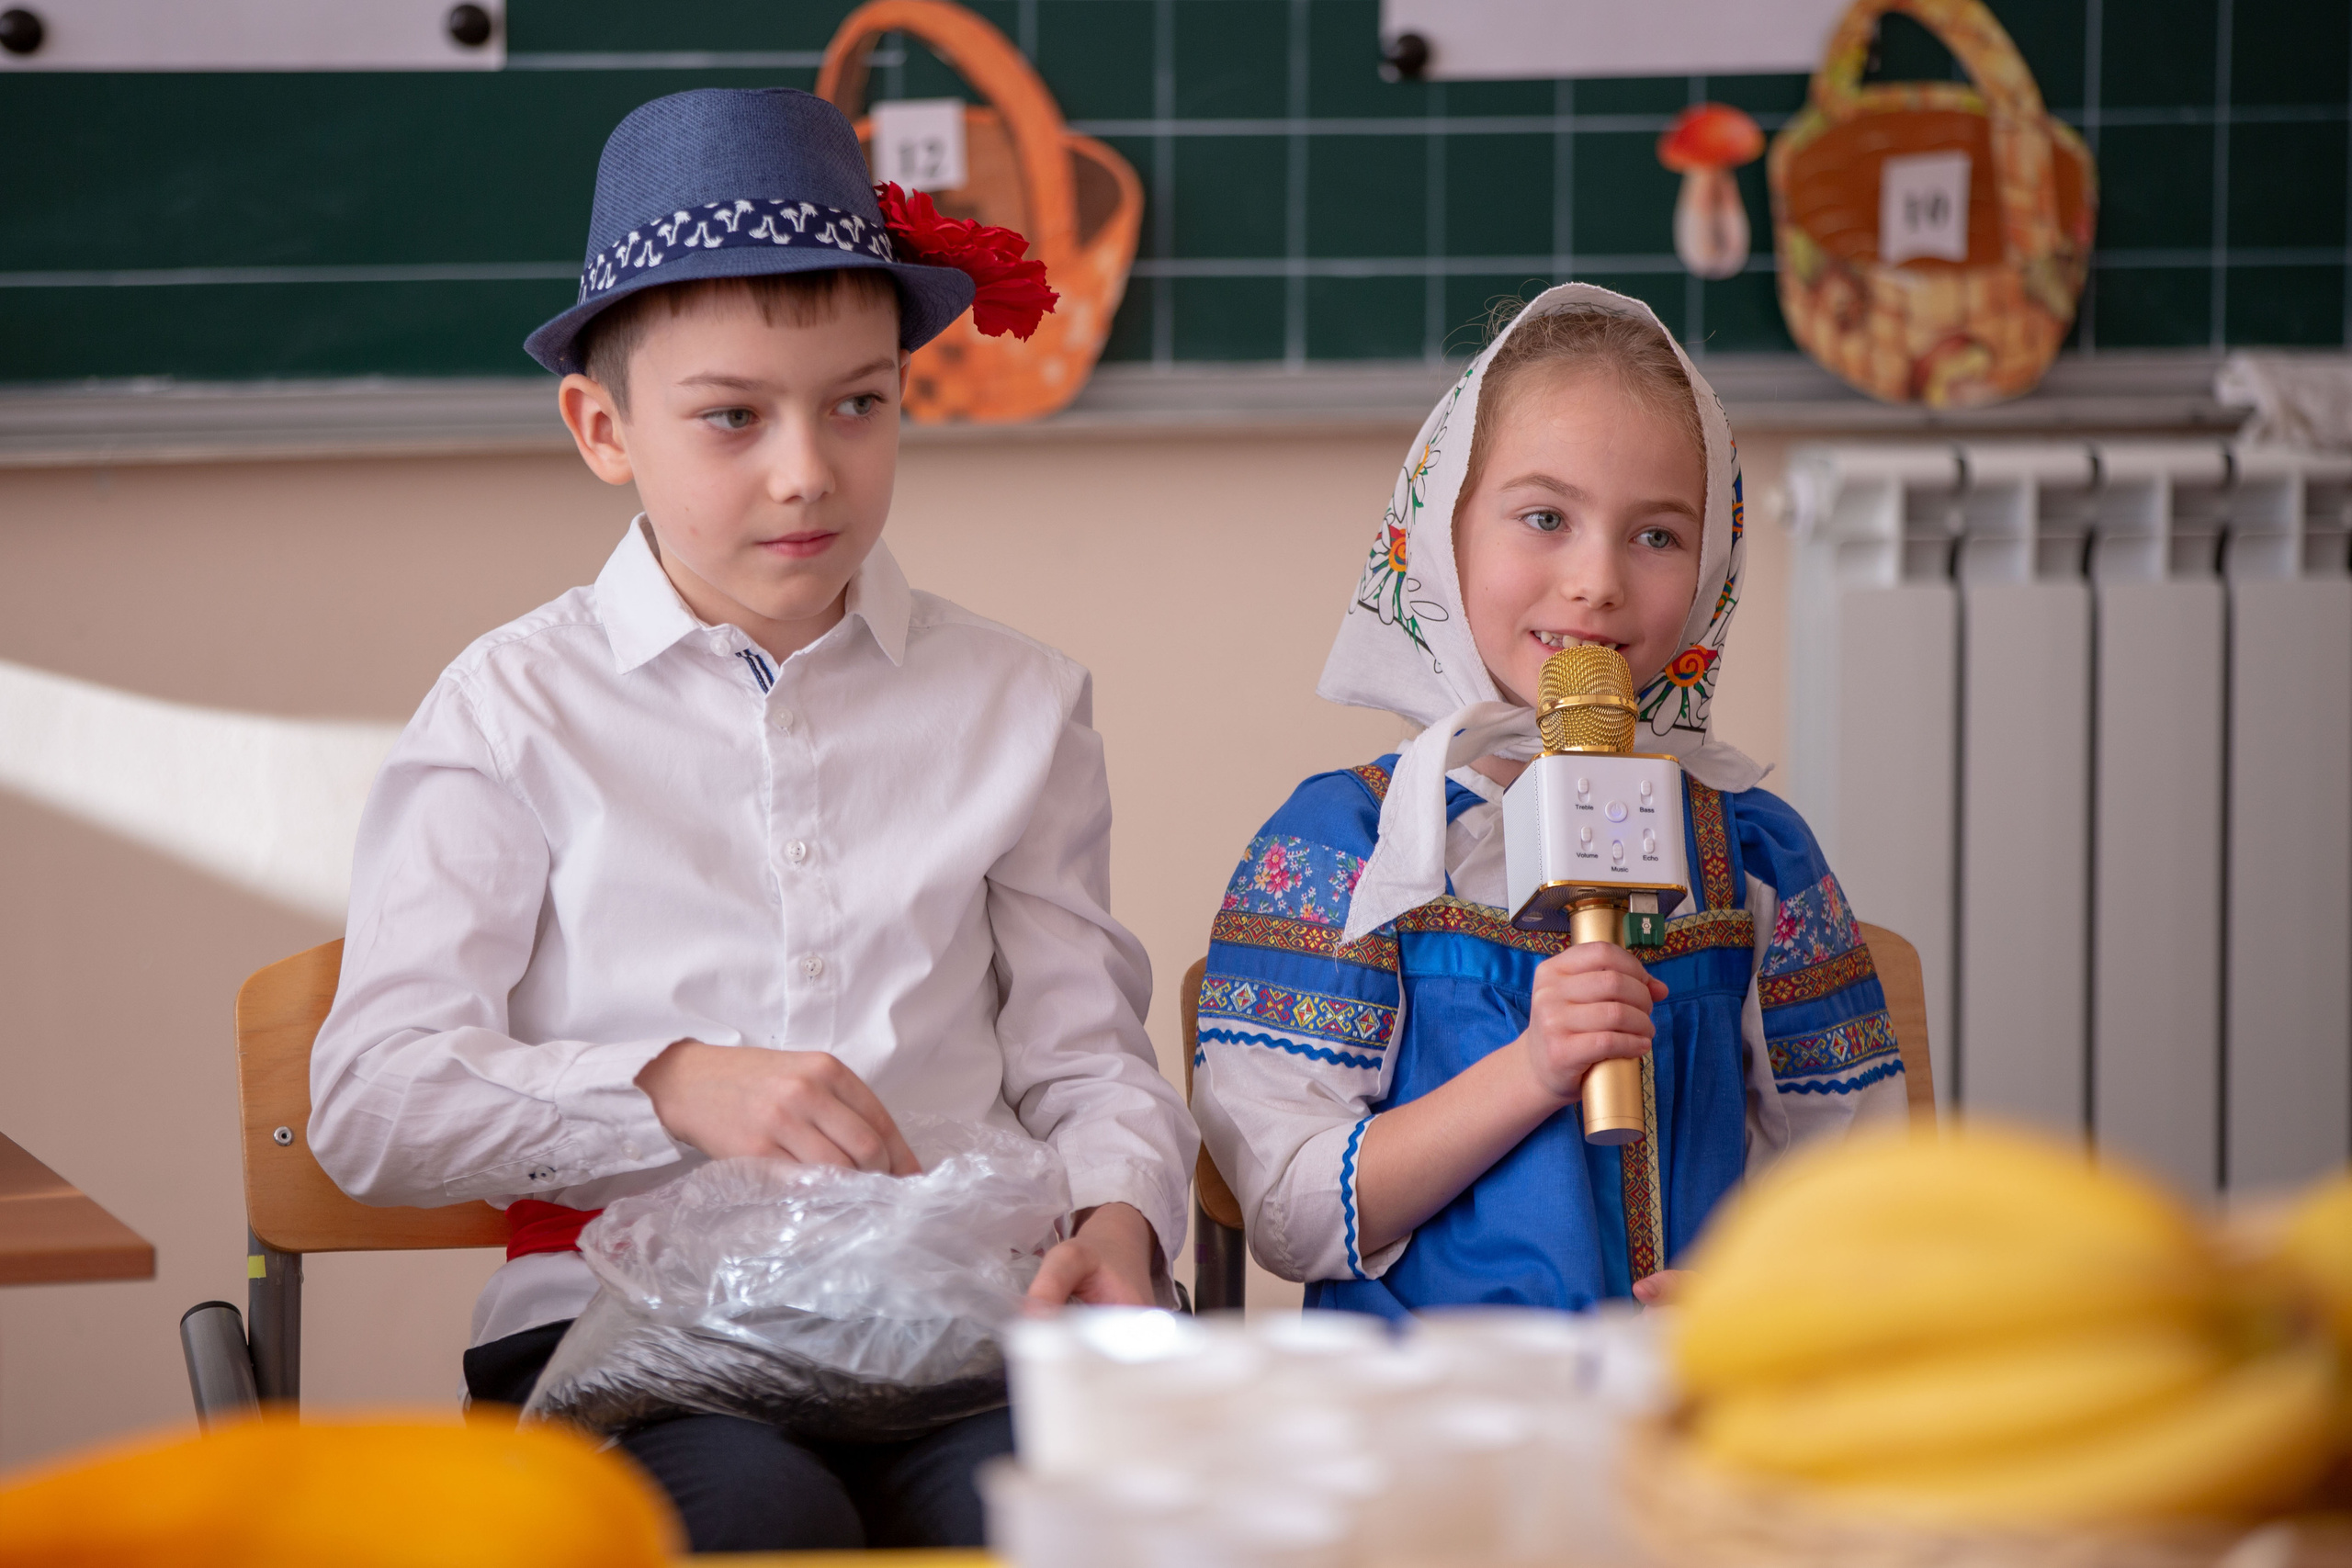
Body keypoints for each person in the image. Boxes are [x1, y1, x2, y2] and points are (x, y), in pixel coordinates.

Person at [308, 87, 1195, 1552]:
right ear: (605, 427)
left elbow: (1085, 1057)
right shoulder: (510, 711)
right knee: (758, 1525)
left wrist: (1123, 1218)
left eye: (859, 401)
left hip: (956, 1335)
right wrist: (663, 1082)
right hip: (625, 1349)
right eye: (733, 416)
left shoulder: (1018, 704)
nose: (807, 468)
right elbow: (368, 1099)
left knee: (1052, 1520)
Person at [1191, 283, 1905, 1319]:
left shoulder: (1751, 852)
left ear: (1710, 566)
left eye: (1656, 536)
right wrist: (1532, 1068)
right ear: (1442, 531)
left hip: (1684, 1403)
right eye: (1543, 517)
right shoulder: (1347, 850)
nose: (1596, 581)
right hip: (1429, 1418)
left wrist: (1768, 1291)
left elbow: (1860, 1188)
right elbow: (1291, 1218)